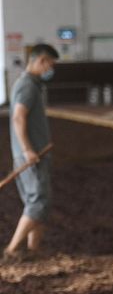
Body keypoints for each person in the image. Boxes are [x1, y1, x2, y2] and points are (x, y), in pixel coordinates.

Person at [5, 43, 58, 259]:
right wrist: (27, 149)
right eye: (50, 64)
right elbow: (19, 117)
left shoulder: (32, 85)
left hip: (35, 154)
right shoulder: (27, 85)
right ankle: (12, 250)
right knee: (38, 201)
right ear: (41, 61)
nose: (50, 69)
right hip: (31, 156)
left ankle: (34, 250)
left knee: (38, 202)